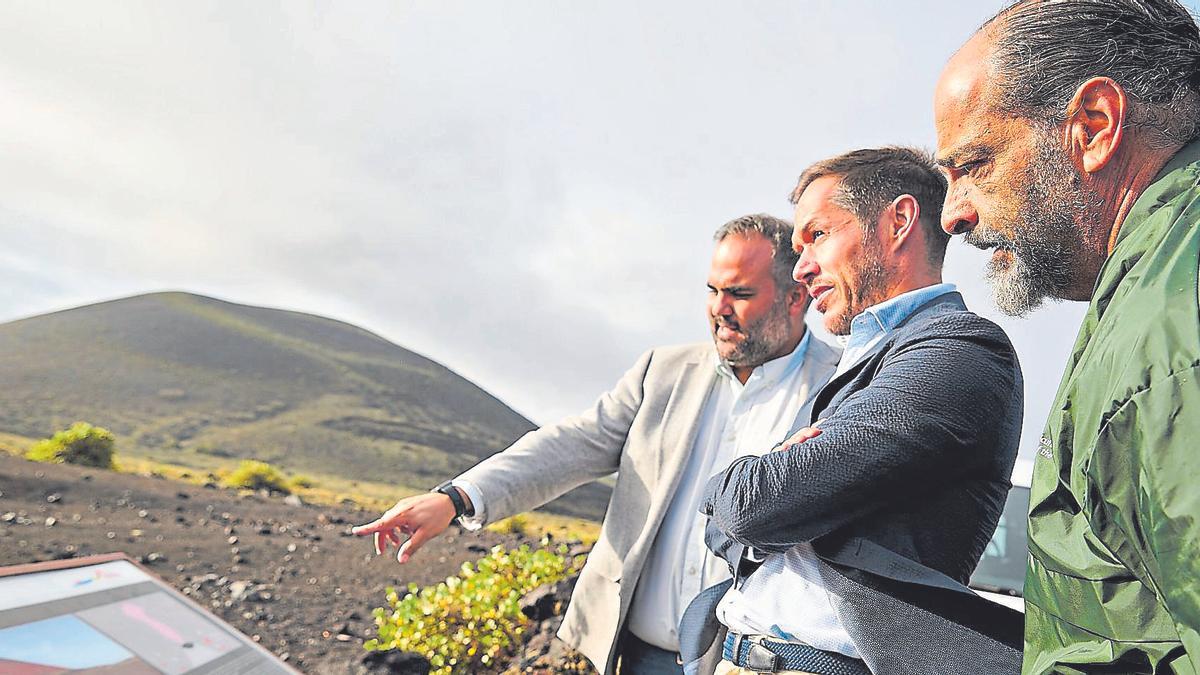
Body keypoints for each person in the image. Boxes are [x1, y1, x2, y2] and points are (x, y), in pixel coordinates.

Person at [353, 214, 840, 674]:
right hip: (640, 655)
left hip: (760, 664)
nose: (718, 309)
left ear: (795, 297)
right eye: (712, 290)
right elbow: (573, 443)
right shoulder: (662, 372)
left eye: (739, 293)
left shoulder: (843, 384)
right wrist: (455, 497)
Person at [680, 147, 1025, 675]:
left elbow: (752, 505)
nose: (801, 268)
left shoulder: (959, 351)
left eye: (817, 235)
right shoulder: (860, 363)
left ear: (899, 222)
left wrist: (747, 483)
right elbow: (725, 530)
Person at [934, 1, 1200, 672]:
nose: (953, 214)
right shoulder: (1155, 285)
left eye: (974, 162)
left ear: (1094, 126)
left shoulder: (1169, 332)